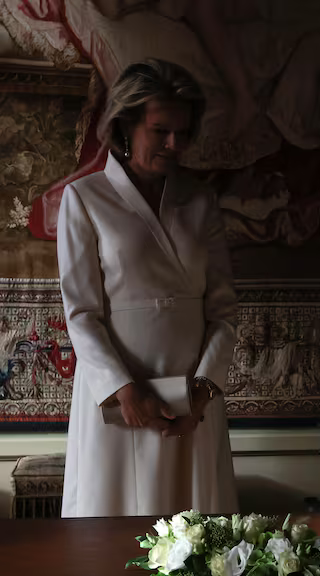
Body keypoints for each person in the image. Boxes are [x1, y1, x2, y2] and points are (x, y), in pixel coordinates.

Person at [57, 58, 238, 517]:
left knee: (196, 531)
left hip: (192, 394)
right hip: (120, 394)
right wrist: (122, 389)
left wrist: (204, 388)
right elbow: (81, 313)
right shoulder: (85, 198)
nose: (175, 144)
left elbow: (222, 310)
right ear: (126, 125)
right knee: (111, 523)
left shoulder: (200, 201)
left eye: (183, 132)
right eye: (161, 131)